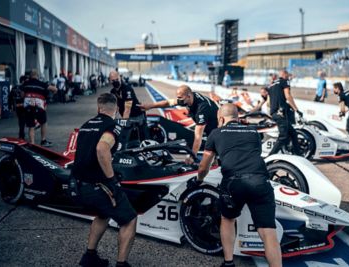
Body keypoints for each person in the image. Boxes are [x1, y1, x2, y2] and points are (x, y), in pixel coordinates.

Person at [193, 103, 282, 267]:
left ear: (221, 118)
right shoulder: (253, 132)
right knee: (268, 232)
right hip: (260, 181)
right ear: (237, 117)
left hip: (234, 182)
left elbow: (204, 166)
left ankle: (228, 263)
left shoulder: (216, 133)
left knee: (227, 219)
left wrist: (199, 180)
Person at [72, 93, 137, 267]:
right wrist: (112, 181)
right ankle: (121, 264)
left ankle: (89, 256)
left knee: (103, 213)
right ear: (115, 109)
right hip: (99, 186)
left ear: (98, 108)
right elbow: (102, 149)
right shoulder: (112, 126)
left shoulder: (86, 125)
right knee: (129, 219)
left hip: (78, 185)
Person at [138, 85, 219, 163]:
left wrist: (192, 156)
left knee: (211, 156)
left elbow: (198, 137)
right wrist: (150, 106)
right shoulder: (189, 96)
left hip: (216, 128)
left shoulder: (202, 108)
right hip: (207, 119)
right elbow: (168, 102)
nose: (178, 100)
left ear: (188, 96)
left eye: (180, 98)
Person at [266, 70, 302, 156]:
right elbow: (288, 96)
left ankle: (298, 155)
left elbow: (268, 102)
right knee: (283, 137)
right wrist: (296, 110)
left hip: (274, 113)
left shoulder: (271, 84)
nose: (289, 77)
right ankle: (270, 158)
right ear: (284, 74)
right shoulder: (285, 81)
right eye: (288, 75)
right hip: (280, 113)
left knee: (293, 133)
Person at [22, 69, 57, 146]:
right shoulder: (42, 84)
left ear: (30, 76)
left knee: (31, 126)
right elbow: (54, 89)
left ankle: (32, 143)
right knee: (43, 122)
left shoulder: (25, 83)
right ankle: (43, 141)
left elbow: (22, 95)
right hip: (39, 107)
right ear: (37, 76)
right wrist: (53, 92)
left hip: (28, 106)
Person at [8, 75, 28, 139]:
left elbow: (10, 97)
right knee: (23, 121)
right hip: (25, 106)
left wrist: (10, 106)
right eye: (26, 80)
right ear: (23, 81)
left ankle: (21, 134)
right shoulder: (25, 87)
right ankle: (21, 135)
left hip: (17, 107)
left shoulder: (14, 87)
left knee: (21, 121)